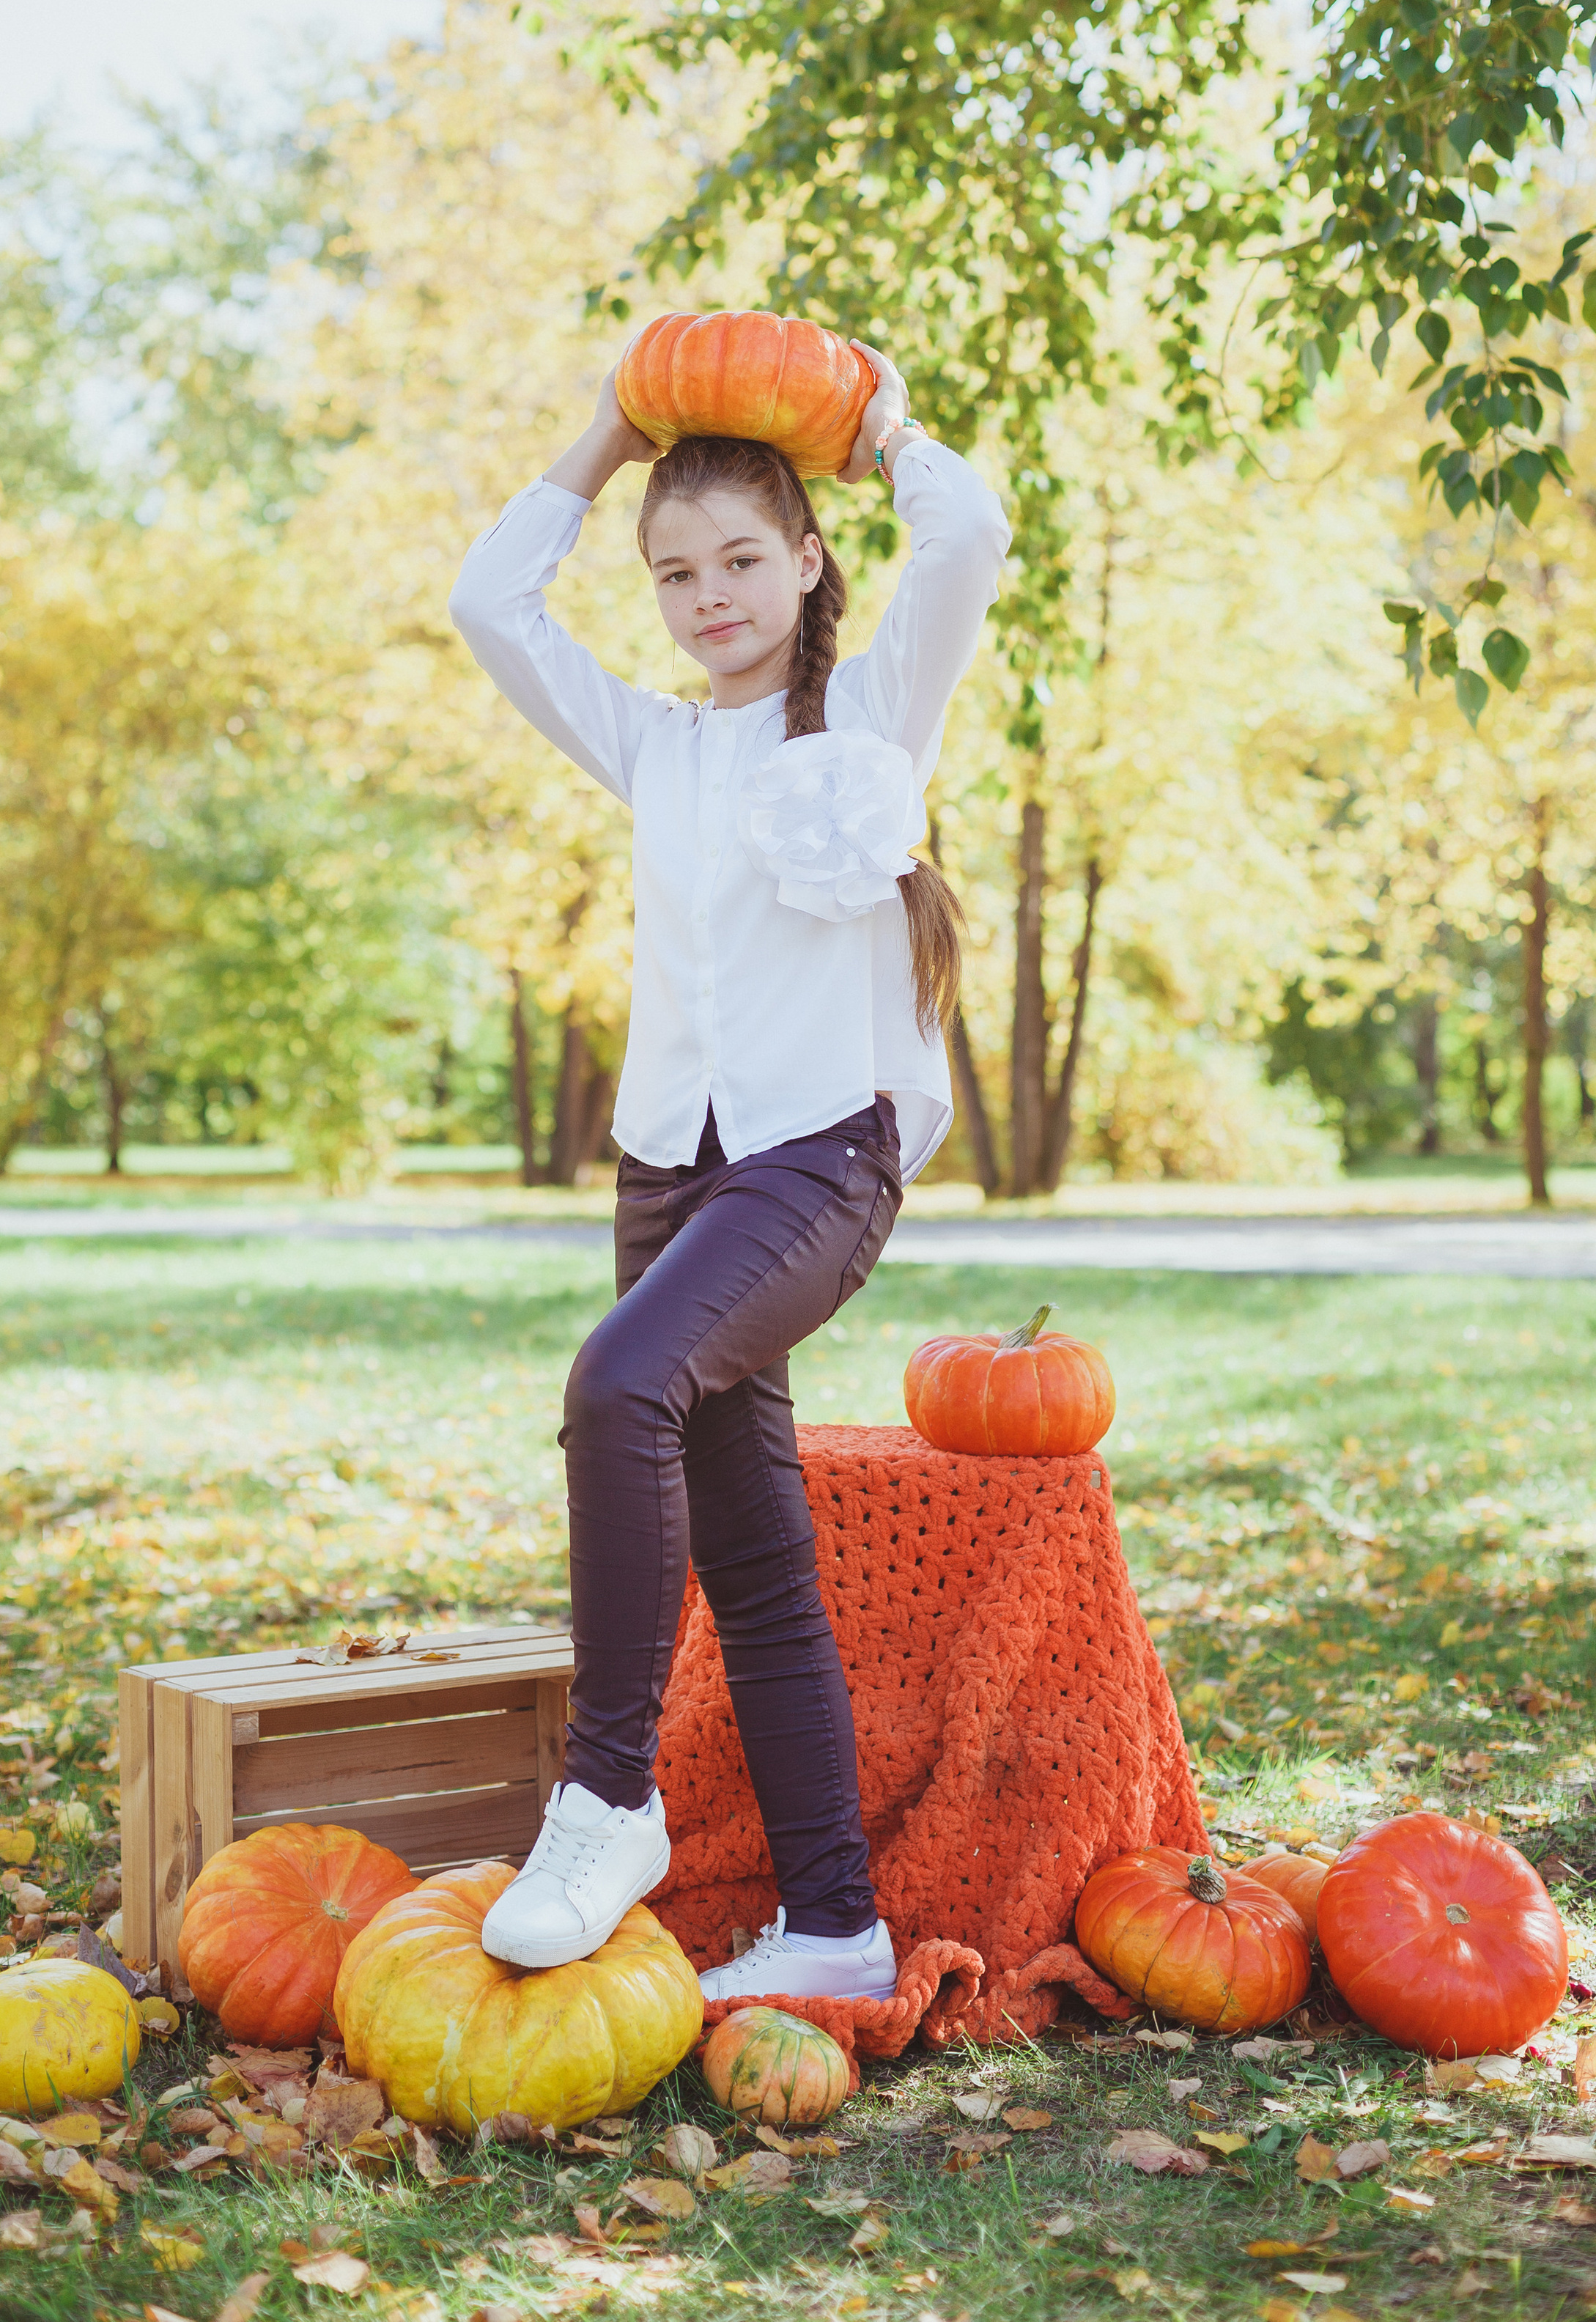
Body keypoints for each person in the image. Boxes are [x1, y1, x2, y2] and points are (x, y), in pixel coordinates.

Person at [446, 340, 1008, 2003]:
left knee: (618, 1385)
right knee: (756, 1565)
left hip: (818, 1165)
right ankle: (835, 1921)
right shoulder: (654, 747)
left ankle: (606, 1788)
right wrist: (608, 435)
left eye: (742, 560)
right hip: (666, 1177)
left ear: (808, 556)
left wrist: (879, 422)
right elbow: (490, 609)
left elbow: (967, 537)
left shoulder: (870, 706)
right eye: (675, 572)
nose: (709, 598)